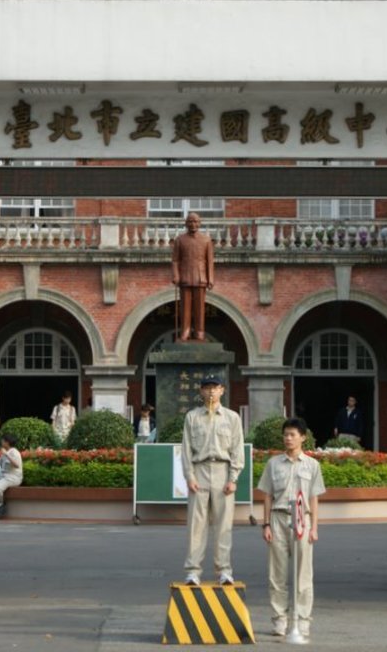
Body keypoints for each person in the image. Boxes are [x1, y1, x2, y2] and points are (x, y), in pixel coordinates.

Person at [258, 417, 326, 640]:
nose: (288, 438)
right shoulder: (273, 464)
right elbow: (267, 496)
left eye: (292, 435)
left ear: (302, 437)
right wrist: (266, 524)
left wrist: (314, 527)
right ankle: (280, 619)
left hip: (302, 520)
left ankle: (302, 621)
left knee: (303, 574)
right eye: (285, 434)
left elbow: (314, 498)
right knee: (276, 574)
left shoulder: (312, 465)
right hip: (278, 518)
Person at [181, 374, 244, 586]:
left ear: (222, 390)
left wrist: (233, 478)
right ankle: (193, 571)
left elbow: (237, 450)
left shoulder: (232, 418)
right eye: (207, 387)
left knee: (223, 525)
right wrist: (189, 476)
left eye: (215, 387)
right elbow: (186, 449)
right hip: (199, 470)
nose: (211, 391)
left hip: (222, 471)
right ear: (201, 391)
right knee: (196, 525)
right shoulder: (192, 417)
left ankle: (224, 570)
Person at [172, 212, 214, 342]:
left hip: (201, 277)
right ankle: (185, 331)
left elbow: (210, 261)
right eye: (190, 221)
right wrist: (176, 275)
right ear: (186, 223)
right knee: (185, 307)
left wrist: (211, 278)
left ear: (199, 223)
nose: (193, 224)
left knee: (199, 308)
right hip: (185, 277)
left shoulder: (206, 240)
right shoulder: (180, 240)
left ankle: (199, 331)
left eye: (195, 221)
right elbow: (175, 260)